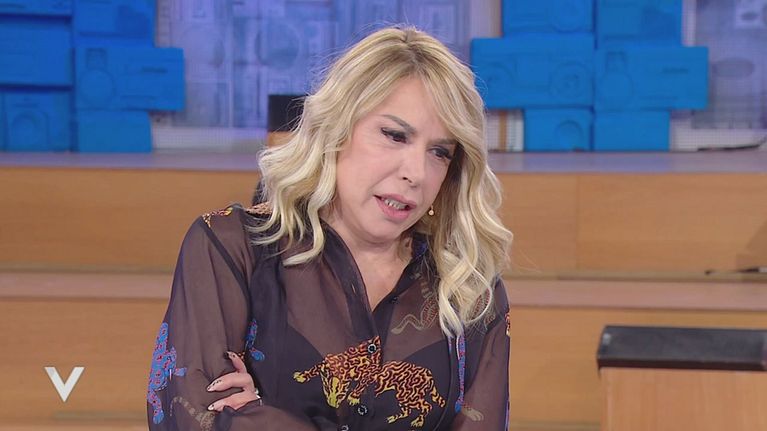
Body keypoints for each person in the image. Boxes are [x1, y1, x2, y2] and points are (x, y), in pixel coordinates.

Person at [146, 26, 513, 431]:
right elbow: (192, 416)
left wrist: (261, 417)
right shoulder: (232, 248)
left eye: (439, 152)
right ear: (337, 129)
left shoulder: (469, 288)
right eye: (394, 136)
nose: (417, 173)